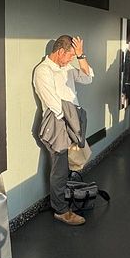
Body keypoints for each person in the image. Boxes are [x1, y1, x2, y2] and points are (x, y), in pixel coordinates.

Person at [33, 35, 93, 226]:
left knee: (68, 165)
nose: (71, 60)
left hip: (71, 121)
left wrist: (81, 55)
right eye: (70, 56)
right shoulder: (43, 71)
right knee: (59, 169)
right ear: (60, 52)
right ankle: (61, 210)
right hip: (58, 123)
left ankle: (65, 200)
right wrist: (73, 126)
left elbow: (87, 78)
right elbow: (55, 105)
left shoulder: (66, 67)